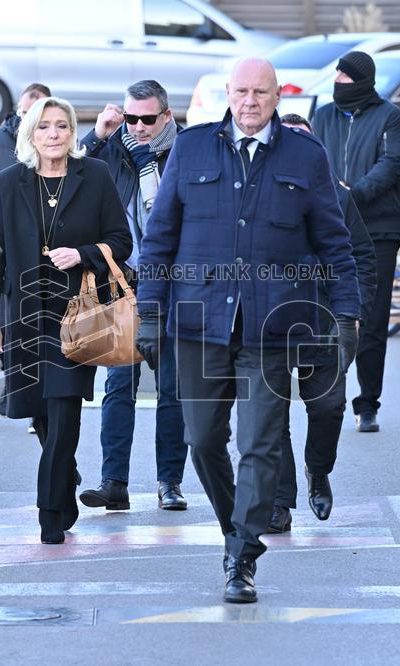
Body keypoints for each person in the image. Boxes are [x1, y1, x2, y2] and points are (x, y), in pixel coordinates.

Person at [136, 59, 359, 603]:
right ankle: (237, 527)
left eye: (261, 92)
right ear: (227, 95)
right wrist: (148, 312)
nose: (250, 101)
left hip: (271, 328)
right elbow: (160, 236)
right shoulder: (191, 150)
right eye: (241, 91)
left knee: (261, 445)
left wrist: (348, 317)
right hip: (198, 323)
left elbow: (335, 244)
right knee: (202, 439)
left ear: (277, 95)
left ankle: (241, 556)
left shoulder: (306, 157)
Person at [0, 96, 131, 545]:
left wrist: (82, 255)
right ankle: (63, 480)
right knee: (40, 414)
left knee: (64, 412)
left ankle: (49, 515)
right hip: (22, 315)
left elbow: (119, 240)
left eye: (62, 126)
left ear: (71, 132)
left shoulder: (95, 177)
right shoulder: (8, 183)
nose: (54, 134)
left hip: (75, 316)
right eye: (44, 126)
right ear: (31, 134)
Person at [78, 80, 188, 512]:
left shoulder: (186, 151)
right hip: (123, 282)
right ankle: (114, 482)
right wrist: (98, 134)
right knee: (118, 383)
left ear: (166, 115)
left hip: (173, 282)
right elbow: (68, 172)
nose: (138, 127)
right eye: (131, 118)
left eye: (147, 119)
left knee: (172, 388)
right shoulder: (112, 151)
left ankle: (170, 483)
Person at [268, 113, 377, 533]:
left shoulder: (339, 197)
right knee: (271, 416)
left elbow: (362, 259)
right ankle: (279, 502)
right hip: (272, 322)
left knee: (329, 407)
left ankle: (318, 470)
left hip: (326, 321)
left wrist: (354, 313)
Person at [311, 50, 400, 434]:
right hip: (331, 227)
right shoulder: (323, 116)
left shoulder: (390, 117)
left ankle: (367, 402)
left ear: (363, 81)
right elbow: (313, 158)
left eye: (345, 78)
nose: (338, 84)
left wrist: (353, 192)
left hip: (378, 228)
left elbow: (392, 163)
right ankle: (326, 392)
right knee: (326, 312)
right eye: (335, 77)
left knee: (370, 316)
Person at [0, 83, 51, 192]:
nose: (30, 119)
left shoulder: (61, 143)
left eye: (37, 113)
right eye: (25, 113)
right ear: (19, 109)